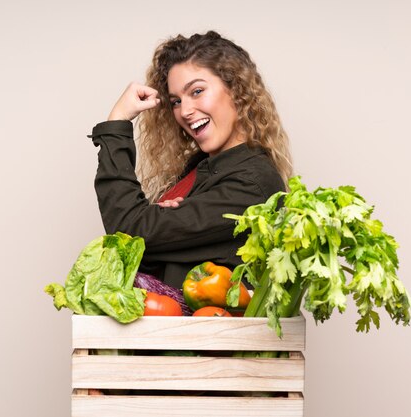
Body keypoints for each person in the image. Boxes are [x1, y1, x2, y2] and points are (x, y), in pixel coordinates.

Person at [89, 31, 293, 288]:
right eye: (176, 101)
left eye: (197, 91)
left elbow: (130, 235)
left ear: (236, 90)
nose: (184, 111)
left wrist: (116, 124)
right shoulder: (202, 169)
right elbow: (147, 258)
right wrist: (158, 221)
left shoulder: (251, 185)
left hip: (196, 329)